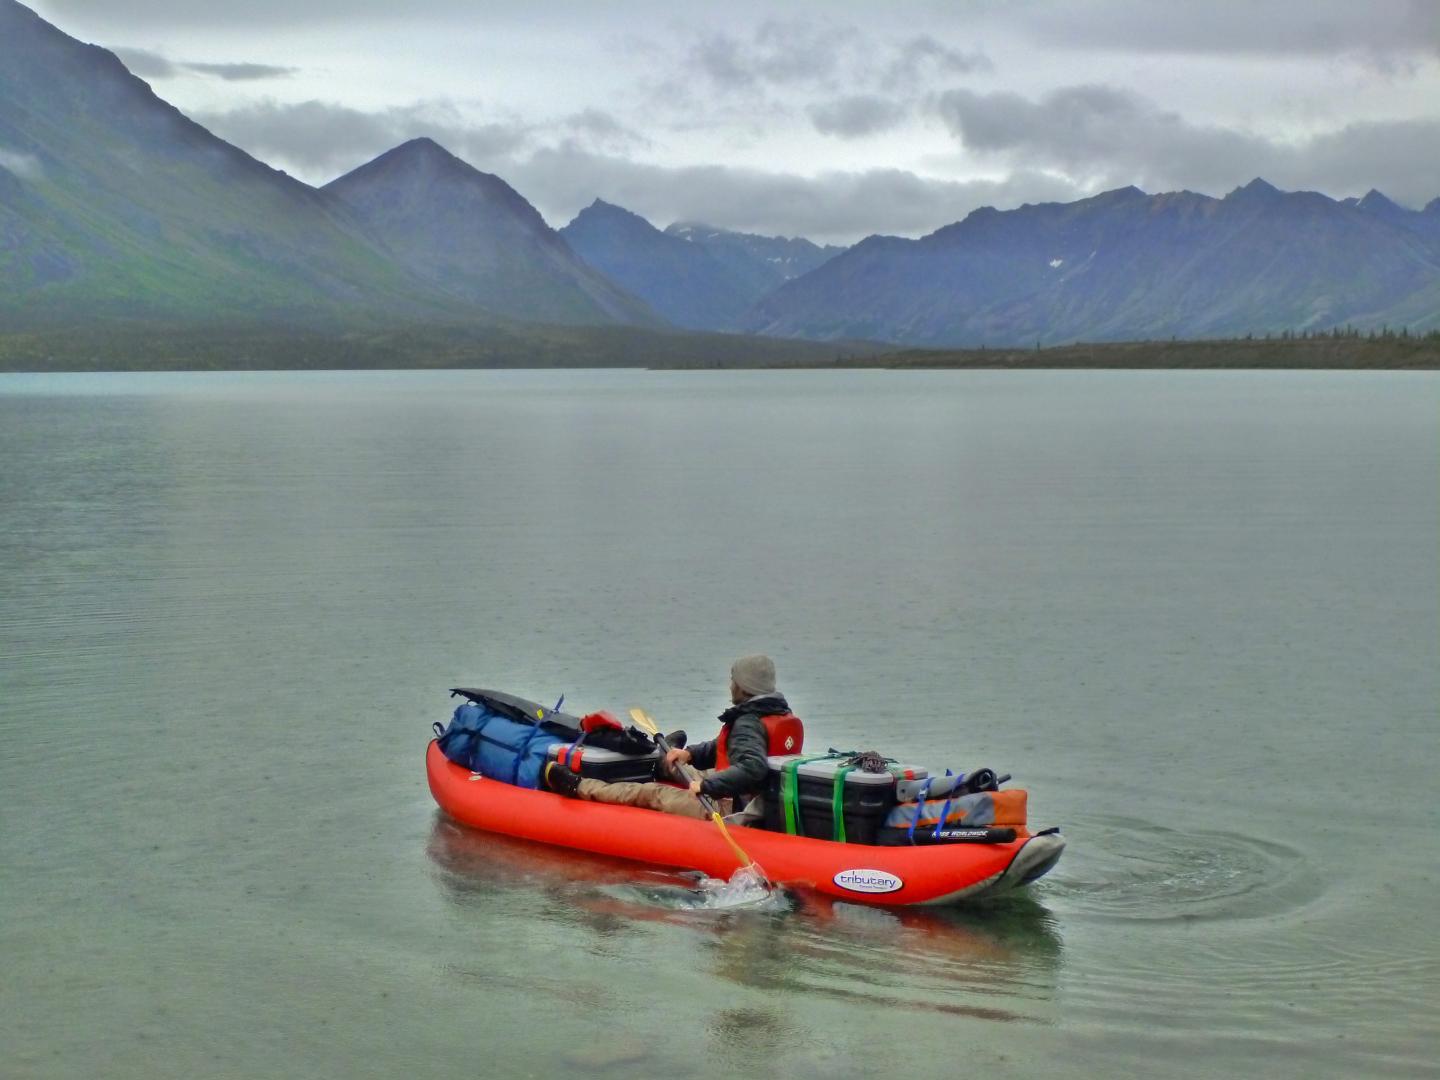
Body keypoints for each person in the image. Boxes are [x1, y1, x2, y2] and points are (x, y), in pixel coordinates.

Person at [544, 655, 803, 821]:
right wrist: (690, 753)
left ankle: (578, 786)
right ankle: (666, 763)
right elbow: (727, 747)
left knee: (649, 792)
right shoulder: (774, 711)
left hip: (726, 804)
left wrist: (706, 787)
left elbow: (752, 767)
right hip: (739, 791)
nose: (730, 686)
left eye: (733, 681)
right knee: (686, 767)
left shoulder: (748, 722)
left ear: (744, 686)